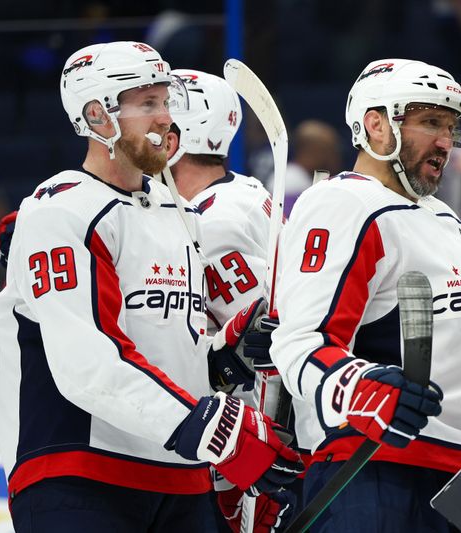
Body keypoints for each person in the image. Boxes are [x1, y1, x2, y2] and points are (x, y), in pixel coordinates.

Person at [0, 41, 302, 532]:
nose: (166, 119)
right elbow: (88, 364)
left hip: (181, 478)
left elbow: (172, 353)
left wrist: (226, 355)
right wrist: (215, 429)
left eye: (166, 101)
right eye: (148, 104)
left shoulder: (179, 216)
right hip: (82, 475)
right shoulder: (61, 211)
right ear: (97, 115)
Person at [270, 58, 461, 532]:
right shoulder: (346, 204)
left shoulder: (444, 217)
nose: (445, 142)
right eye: (430, 122)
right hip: (378, 462)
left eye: (451, 127)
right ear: (376, 124)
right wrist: (362, 388)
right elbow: (300, 342)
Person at [165, 68, 295, 533]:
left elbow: (260, 343)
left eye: (160, 112)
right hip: (248, 439)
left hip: (246, 447)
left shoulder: (211, 223)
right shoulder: (245, 192)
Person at [283, 119, 342, 217]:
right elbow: (288, 224)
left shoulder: (304, 177)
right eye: (329, 150)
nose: (333, 157)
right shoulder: (290, 181)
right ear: (313, 150)